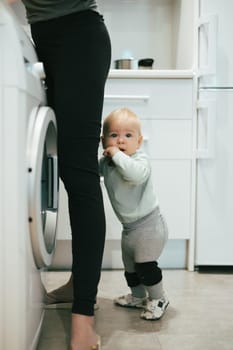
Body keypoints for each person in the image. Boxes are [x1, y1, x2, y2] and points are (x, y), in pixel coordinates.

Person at [17, 1, 111, 349]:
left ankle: (83, 317)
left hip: (78, 37)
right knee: (66, 173)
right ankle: (78, 285)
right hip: (44, 38)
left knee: (80, 175)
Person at [99, 108, 169, 320]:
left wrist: (116, 154)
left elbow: (134, 175)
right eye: (114, 135)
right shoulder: (108, 163)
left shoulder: (140, 161)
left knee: (146, 266)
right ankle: (138, 296)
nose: (120, 140)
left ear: (138, 142)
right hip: (129, 229)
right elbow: (94, 171)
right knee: (130, 269)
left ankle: (159, 298)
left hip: (149, 226)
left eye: (128, 136)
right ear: (103, 141)